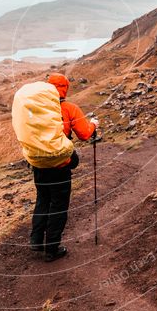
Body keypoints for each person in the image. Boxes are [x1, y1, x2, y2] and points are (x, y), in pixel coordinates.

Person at [30, 73, 98, 262]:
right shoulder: (69, 108)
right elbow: (84, 134)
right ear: (65, 88)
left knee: (42, 199)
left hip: (38, 163)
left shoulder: (36, 108)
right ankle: (52, 248)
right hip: (60, 164)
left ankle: (36, 240)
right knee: (58, 205)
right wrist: (93, 124)